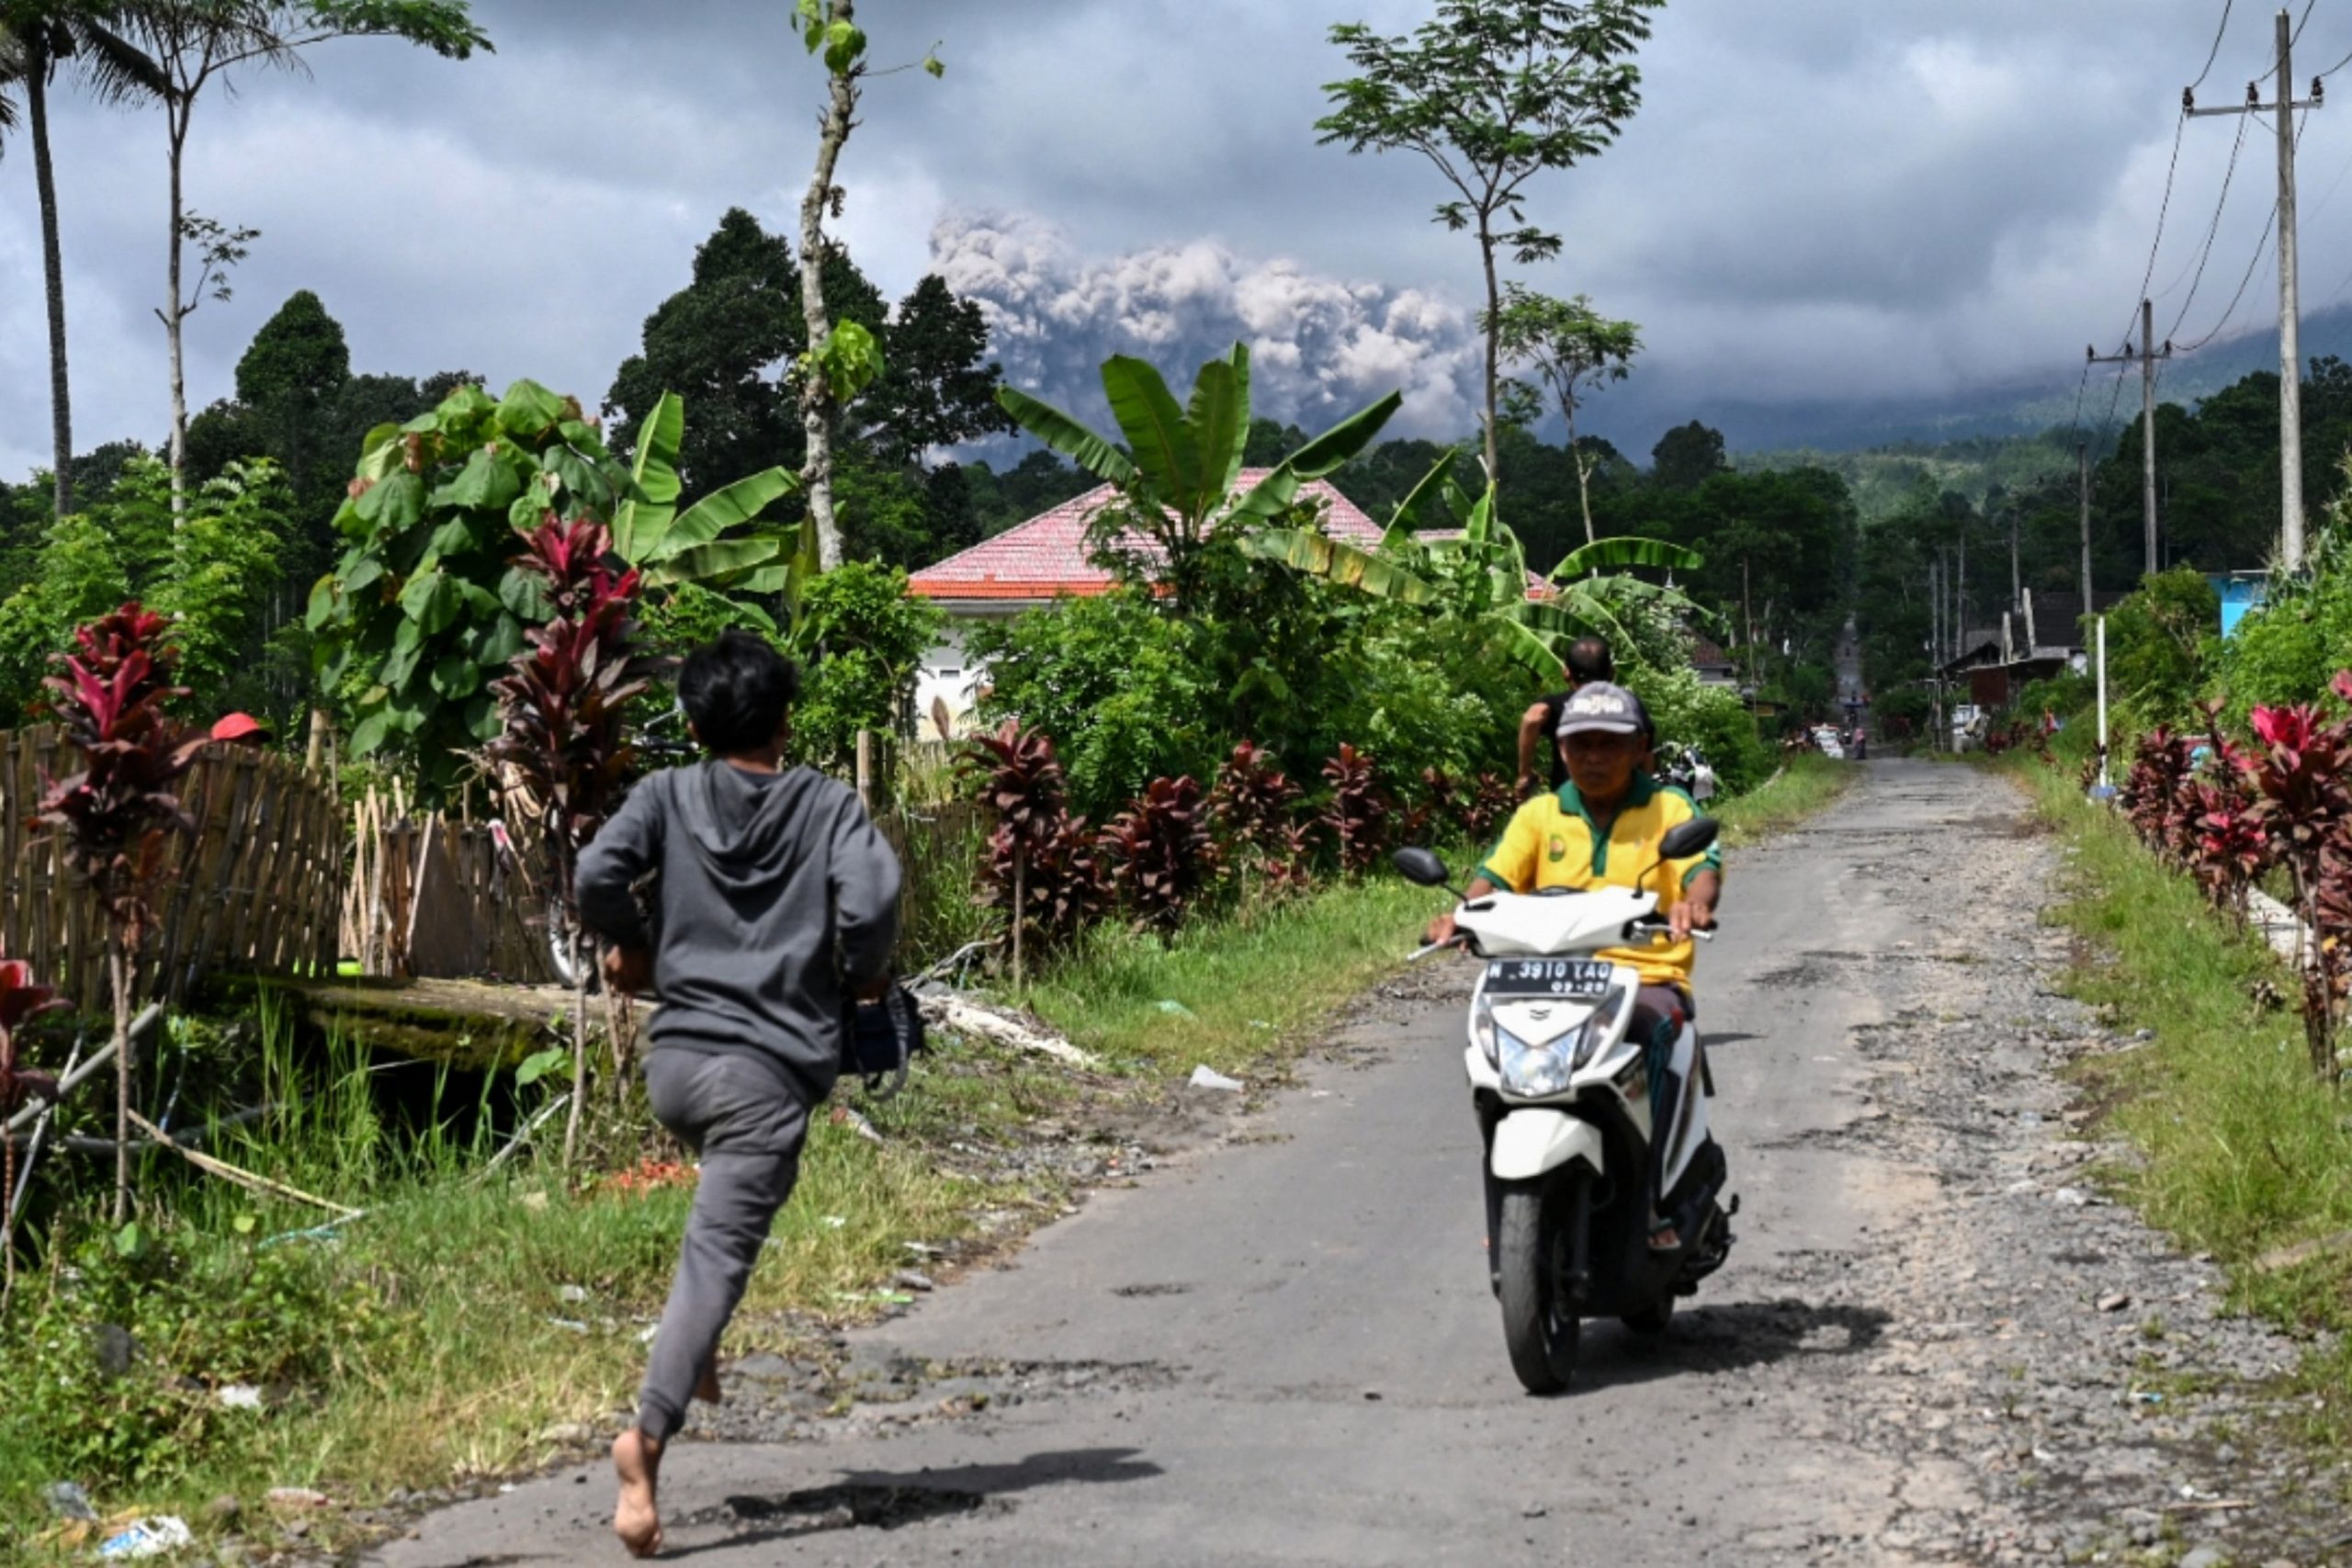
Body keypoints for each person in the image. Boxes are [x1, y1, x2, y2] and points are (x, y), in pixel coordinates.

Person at [576, 630, 904, 1558]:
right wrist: (864, 976)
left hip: (675, 1067)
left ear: (692, 722)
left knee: (719, 1227)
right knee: (716, 1255)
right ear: (785, 720)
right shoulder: (828, 806)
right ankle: (644, 1443)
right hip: (765, 1074)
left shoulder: (665, 795)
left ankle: (699, 1348)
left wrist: (633, 942)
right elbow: (873, 905)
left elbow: (597, 870)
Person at [1430, 682, 1724, 1250]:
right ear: (1561, 750)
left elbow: (1698, 869)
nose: (1594, 757)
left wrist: (1695, 904)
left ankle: (1653, 1201)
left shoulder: (1670, 808)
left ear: (1639, 748)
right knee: (1487, 1059)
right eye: (1581, 744)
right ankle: (1506, 1207)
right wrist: (1459, 915)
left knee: (1650, 1034)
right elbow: (1495, 877)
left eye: (1609, 744)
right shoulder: (1541, 814)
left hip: (1645, 977)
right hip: (1542, 975)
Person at [1515, 635, 1618, 796]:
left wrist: (1524, 773)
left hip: (1569, 804)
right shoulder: (1628, 707)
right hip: (1615, 805)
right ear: (1611, 673)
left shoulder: (1558, 705)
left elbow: (1532, 718)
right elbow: (1646, 755)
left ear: (1566, 673)